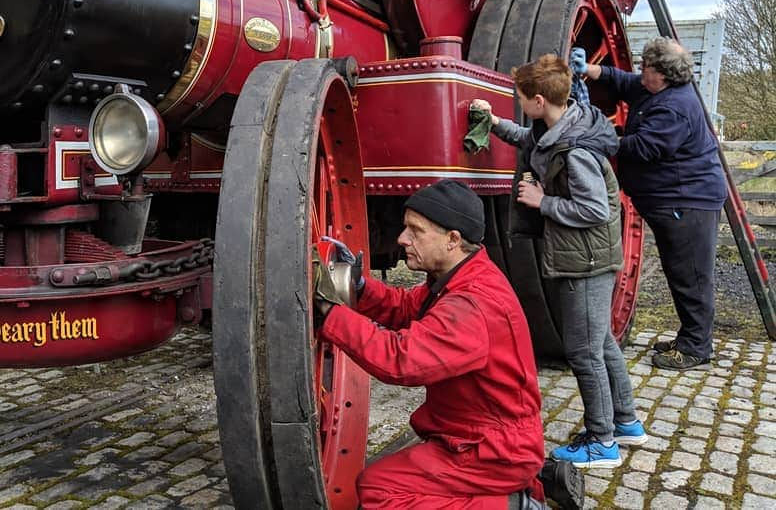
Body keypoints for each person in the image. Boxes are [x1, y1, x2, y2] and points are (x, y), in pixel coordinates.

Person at [312, 180, 550, 509]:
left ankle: (513, 506)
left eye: (415, 230)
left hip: (492, 450)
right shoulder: (461, 274)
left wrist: (331, 317)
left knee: (380, 492)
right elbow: (407, 309)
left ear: (453, 239)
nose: (402, 239)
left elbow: (401, 360)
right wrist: (360, 287)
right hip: (475, 436)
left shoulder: (472, 304)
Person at [472, 54, 646, 469]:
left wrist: (542, 201)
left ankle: (602, 443)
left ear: (537, 101)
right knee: (601, 343)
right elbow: (529, 141)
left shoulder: (575, 150)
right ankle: (626, 422)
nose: (519, 106)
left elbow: (595, 210)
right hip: (587, 257)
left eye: (520, 100)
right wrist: (493, 122)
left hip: (584, 261)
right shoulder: (560, 126)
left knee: (584, 353)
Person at [571, 37, 727, 370]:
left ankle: (697, 348)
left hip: (688, 201)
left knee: (691, 275)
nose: (641, 72)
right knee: (680, 270)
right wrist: (589, 70)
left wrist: (597, 139)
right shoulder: (654, 89)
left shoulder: (675, 107)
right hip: (674, 200)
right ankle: (690, 336)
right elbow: (622, 81)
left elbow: (643, 147)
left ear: (664, 74)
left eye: (647, 68)